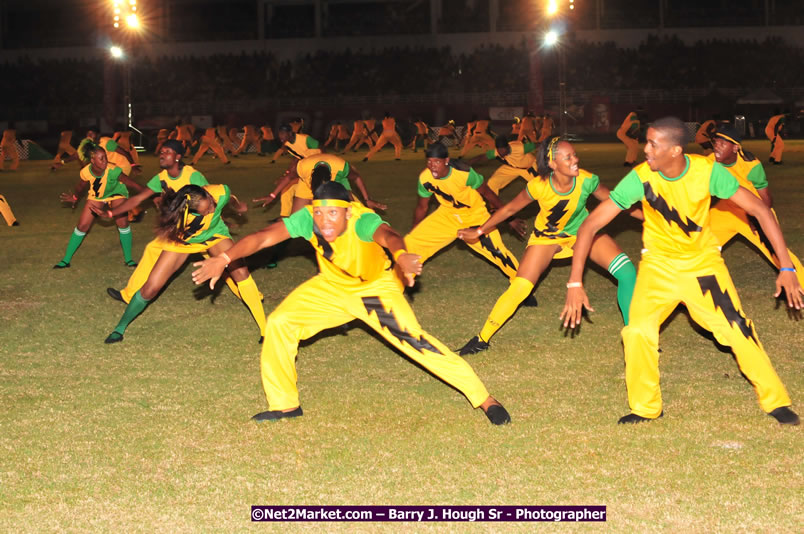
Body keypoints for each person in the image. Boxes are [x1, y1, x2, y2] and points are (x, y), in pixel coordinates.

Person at [190, 181, 512, 425]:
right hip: (331, 286)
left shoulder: (361, 220)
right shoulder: (308, 219)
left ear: (347, 211)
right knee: (280, 323)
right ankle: (285, 404)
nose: (324, 221)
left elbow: (388, 236)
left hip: (373, 289)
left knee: (415, 341)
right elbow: (262, 237)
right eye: (319, 212)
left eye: (332, 213)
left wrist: (401, 256)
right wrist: (226, 258)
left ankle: (484, 398)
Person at [561, 117, 801, 425]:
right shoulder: (641, 177)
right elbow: (591, 224)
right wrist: (575, 282)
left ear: (675, 151)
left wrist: (785, 266)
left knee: (737, 328)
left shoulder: (707, 171)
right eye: (645, 142)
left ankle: (775, 401)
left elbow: (759, 209)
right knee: (636, 331)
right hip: (658, 267)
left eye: (652, 144)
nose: (645, 149)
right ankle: (646, 407)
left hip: (703, 266)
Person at [456, 137, 637, 355]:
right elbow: (509, 210)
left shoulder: (587, 180)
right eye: (568, 157)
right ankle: (482, 338)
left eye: (574, 155)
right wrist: (479, 231)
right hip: (546, 238)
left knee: (627, 272)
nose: (575, 160)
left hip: (583, 232)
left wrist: (649, 216)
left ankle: (635, 337)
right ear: (552, 164)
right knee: (521, 286)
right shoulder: (538, 186)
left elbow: (617, 203)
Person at [103, 184, 266, 344]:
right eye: (205, 211)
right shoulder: (179, 216)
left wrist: (238, 207)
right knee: (150, 288)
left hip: (214, 235)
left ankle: (265, 330)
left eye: (209, 204)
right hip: (183, 242)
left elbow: (231, 199)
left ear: (207, 193)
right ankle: (119, 328)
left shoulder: (219, 192)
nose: (211, 210)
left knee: (241, 273)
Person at [100, 140, 241, 304]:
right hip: (182, 230)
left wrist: (220, 221)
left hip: (202, 230)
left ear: (177, 157)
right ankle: (128, 295)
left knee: (221, 263)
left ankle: (247, 292)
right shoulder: (161, 178)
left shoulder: (192, 175)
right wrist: (111, 212)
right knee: (153, 248)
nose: (162, 154)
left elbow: (211, 200)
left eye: (167, 151)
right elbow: (138, 198)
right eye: (162, 151)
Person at [405, 143, 526, 285]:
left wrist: (509, 217)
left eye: (437, 162)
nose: (432, 166)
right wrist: (415, 230)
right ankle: (403, 280)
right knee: (411, 242)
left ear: (446, 161)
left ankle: (522, 286)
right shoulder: (425, 178)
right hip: (447, 215)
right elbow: (421, 207)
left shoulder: (464, 173)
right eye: (429, 161)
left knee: (498, 252)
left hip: (475, 215)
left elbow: (487, 193)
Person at [708, 126, 804, 286]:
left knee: (777, 253)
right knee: (698, 244)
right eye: (715, 143)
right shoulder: (710, 161)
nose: (716, 147)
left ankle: (798, 280)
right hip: (725, 210)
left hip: (755, 211)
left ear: (735, 147)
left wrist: (756, 219)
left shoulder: (751, 165)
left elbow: (766, 200)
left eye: (722, 144)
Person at [54, 142, 145, 269]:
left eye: (105, 157)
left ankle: (129, 259)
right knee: (82, 226)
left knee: (122, 222)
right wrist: (75, 197)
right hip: (97, 195)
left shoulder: (113, 170)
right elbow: (80, 186)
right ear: (92, 160)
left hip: (116, 192)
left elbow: (132, 184)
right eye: (101, 158)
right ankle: (66, 260)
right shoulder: (86, 172)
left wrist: (151, 193)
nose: (105, 161)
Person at [254, 152, 386, 215]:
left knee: (352, 214)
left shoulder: (340, 167)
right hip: (306, 184)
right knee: (296, 220)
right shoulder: (303, 167)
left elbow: (356, 177)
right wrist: (272, 195)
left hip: (338, 182)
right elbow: (288, 178)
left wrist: (367, 199)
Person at [469, 135, 537, 195]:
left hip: (528, 168)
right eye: (499, 150)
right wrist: (468, 163)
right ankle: (494, 207)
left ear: (507, 147)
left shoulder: (520, 148)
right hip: (512, 168)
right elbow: (482, 157)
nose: (501, 153)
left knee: (542, 186)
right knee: (492, 183)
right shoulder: (497, 152)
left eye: (502, 150)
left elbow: (538, 145)